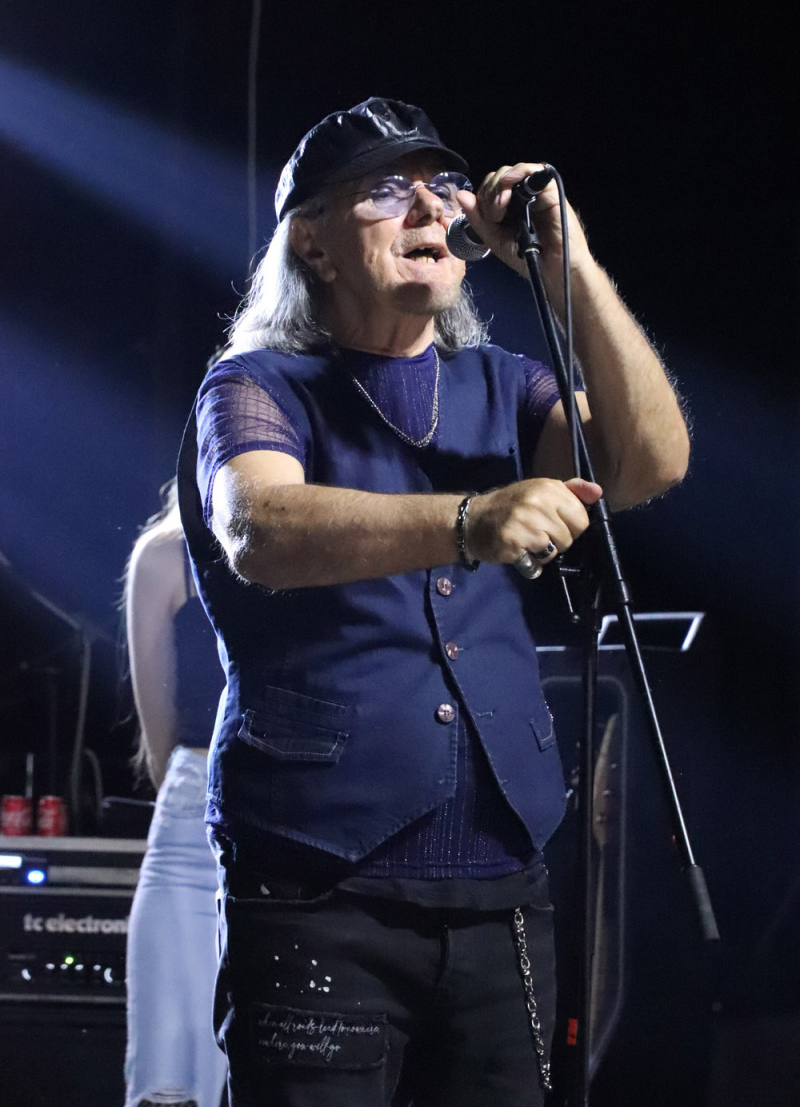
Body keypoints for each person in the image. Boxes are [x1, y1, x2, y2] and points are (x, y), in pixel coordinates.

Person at [177, 97, 690, 1107]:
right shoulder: (257, 386)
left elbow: (648, 462)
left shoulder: (504, 384)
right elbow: (258, 528)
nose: (430, 206)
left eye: (444, 185)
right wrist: (467, 519)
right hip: (321, 886)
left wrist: (570, 266)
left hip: (502, 884)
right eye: (385, 189)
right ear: (312, 243)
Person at [124, 485, 228, 1107]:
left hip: (272, 805)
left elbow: (161, 736)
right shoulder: (167, 553)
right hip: (200, 807)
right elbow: (158, 733)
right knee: (172, 1077)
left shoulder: (165, 555)